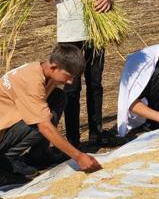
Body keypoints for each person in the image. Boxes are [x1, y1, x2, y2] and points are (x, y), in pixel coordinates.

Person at [42, 0, 113, 148]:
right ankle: (73, 139)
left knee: (95, 83)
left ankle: (96, 134)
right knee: (72, 88)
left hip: (96, 29)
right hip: (70, 32)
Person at [0, 45, 101, 185]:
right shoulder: (31, 81)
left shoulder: (42, 69)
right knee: (41, 122)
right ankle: (6, 161)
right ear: (53, 67)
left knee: (58, 97)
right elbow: (44, 127)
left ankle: (38, 156)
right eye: (68, 76)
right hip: (3, 132)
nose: (70, 81)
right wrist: (78, 157)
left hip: (11, 123)